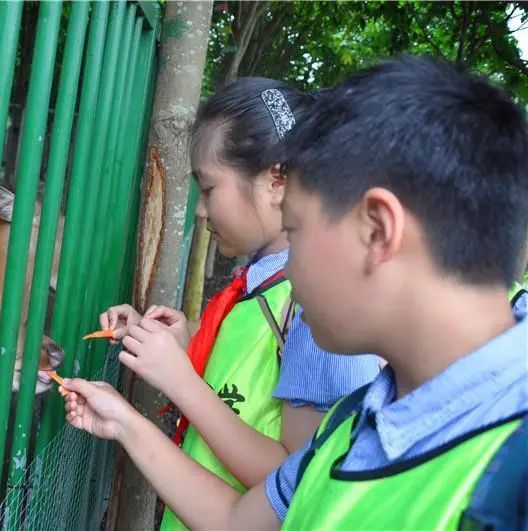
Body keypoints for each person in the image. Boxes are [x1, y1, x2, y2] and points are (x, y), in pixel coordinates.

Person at [64, 56, 528, 529]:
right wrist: (123, 420)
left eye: (297, 229)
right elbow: (234, 520)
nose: (292, 270)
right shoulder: (354, 419)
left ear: (377, 231)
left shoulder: (512, 485)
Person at [99, 78, 380, 529]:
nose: (199, 210)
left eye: (208, 189)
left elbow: (298, 484)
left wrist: (180, 381)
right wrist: (180, 336)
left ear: (276, 181)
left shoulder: (317, 308)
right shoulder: (264, 284)